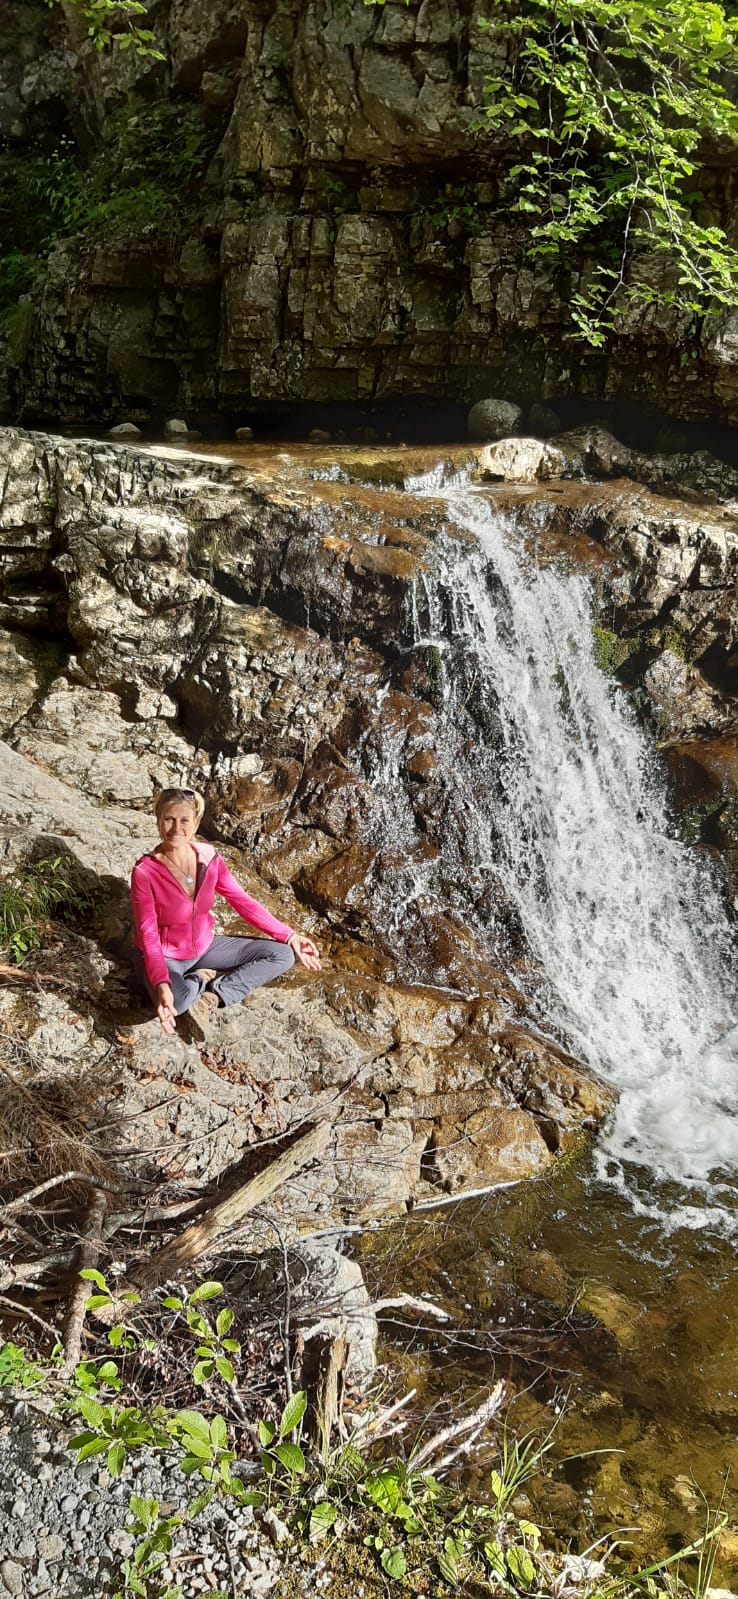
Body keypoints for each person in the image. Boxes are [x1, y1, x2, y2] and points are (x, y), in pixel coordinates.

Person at [131, 787, 320, 1038]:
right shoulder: (145, 872)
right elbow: (148, 934)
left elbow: (241, 901)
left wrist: (289, 935)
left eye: (184, 820)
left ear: (196, 821)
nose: (176, 828)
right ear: (158, 820)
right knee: (177, 1003)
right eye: (169, 819)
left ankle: (214, 994)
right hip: (166, 956)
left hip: (205, 946)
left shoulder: (209, 858)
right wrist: (162, 983)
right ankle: (200, 978)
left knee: (283, 954)